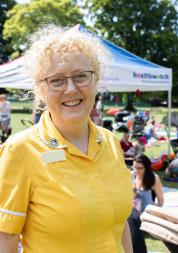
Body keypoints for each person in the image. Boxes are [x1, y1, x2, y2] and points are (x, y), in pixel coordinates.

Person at [0, 24, 133, 253]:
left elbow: (120, 227)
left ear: (96, 80)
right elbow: (5, 241)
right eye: (57, 80)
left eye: (81, 76)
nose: (71, 89)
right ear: (40, 90)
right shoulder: (20, 150)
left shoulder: (111, 142)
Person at [128, 154, 164, 253]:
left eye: (140, 168)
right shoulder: (132, 175)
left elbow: (161, 202)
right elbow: (129, 199)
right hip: (134, 213)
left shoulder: (153, 178)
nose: (136, 170)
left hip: (147, 214)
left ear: (146, 168)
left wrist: (152, 212)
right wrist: (133, 192)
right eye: (134, 167)